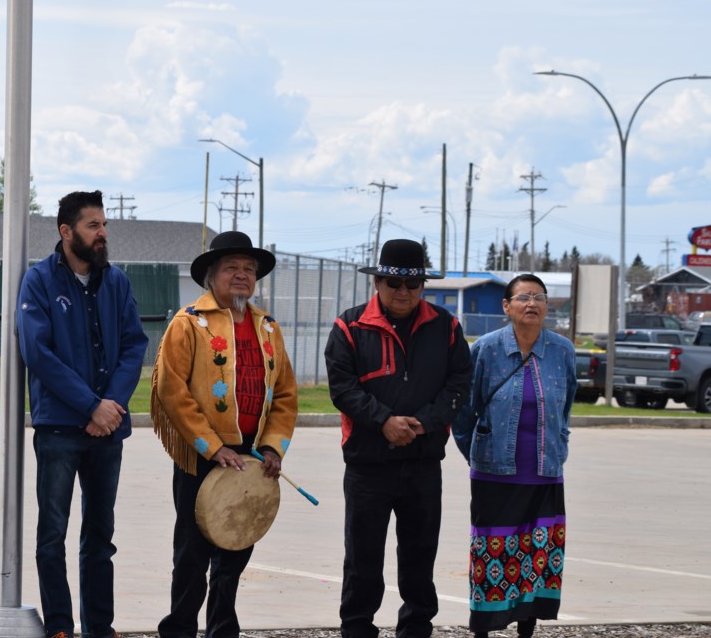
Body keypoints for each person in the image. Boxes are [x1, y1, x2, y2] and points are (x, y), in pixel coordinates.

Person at [150, 230, 298, 638]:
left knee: (236, 548)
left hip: (251, 457)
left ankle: (222, 630)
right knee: (192, 555)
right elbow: (171, 389)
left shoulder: (268, 328)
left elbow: (285, 393)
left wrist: (271, 447)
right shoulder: (189, 324)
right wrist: (212, 447)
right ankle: (179, 628)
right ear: (211, 275)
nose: (242, 276)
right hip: (201, 456)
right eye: (232, 267)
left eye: (249, 269)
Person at [325, 238, 472, 638]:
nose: (403, 292)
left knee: (420, 556)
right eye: (393, 283)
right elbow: (343, 388)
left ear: (423, 286)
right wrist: (384, 420)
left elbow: (459, 383)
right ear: (377, 283)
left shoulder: (447, 327)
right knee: (362, 559)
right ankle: (357, 628)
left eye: (412, 285)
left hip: (424, 463)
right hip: (368, 465)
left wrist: (424, 423)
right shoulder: (348, 326)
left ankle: (416, 628)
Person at [17, 190, 148, 638]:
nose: (103, 233)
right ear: (66, 231)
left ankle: (100, 627)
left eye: (104, 224)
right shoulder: (39, 280)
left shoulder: (117, 282)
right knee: (52, 533)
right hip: (59, 429)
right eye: (93, 225)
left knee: (100, 536)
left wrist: (109, 405)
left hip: (107, 430)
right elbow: (38, 352)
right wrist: (90, 404)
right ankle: (59, 627)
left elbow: (134, 345)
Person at [451, 273, 576, 638]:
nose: (532, 304)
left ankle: (527, 626)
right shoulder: (486, 350)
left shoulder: (563, 351)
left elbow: (566, 407)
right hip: (494, 473)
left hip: (545, 471)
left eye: (539, 297)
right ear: (506, 306)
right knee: (492, 552)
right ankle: (484, 629)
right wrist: (478, 455)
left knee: (536, 553)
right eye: (523, 297)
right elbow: (464, 413)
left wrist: (560, 446)